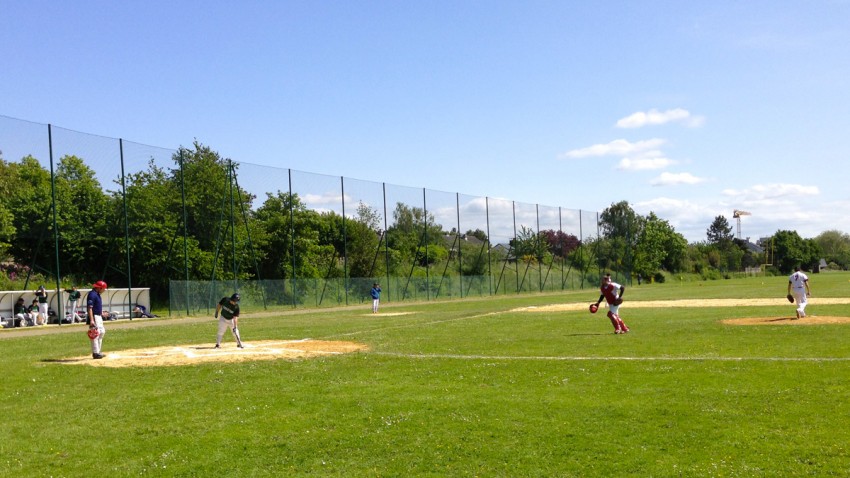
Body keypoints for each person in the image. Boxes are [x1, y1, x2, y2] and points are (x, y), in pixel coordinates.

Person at [87, 280, 108, 359]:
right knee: (95, 334)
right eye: (103, 288)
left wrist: (101, 312)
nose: (104, 290)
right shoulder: (92, 294)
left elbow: (96, 307)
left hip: (98, 316)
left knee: (101, 332)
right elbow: (90, 308)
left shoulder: (97, 294)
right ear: (99, 288)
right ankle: (95, 353)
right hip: (94, 317)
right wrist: (91, 320)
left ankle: (98, 351)